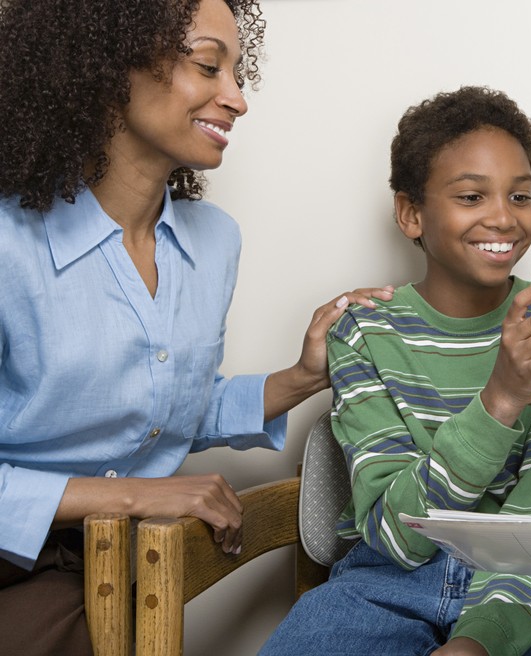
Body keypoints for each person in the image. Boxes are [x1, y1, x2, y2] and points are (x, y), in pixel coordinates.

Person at [0, 1, 391, 654]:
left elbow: (163, 405)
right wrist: (135, 496)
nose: (236, 98)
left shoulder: (214, 244)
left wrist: (301, 378)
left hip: (110, 566)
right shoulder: (10, 246)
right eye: (209, 65)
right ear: (105, 69)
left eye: (238, 72)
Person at [260, 86, 531, 656]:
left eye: (521, 195)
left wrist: (479, 642)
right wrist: (499, 401)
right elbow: (398, 538)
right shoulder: (365, 334)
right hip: (385, 584)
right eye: (472, 196)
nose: (504, 217)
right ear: (411, 213)